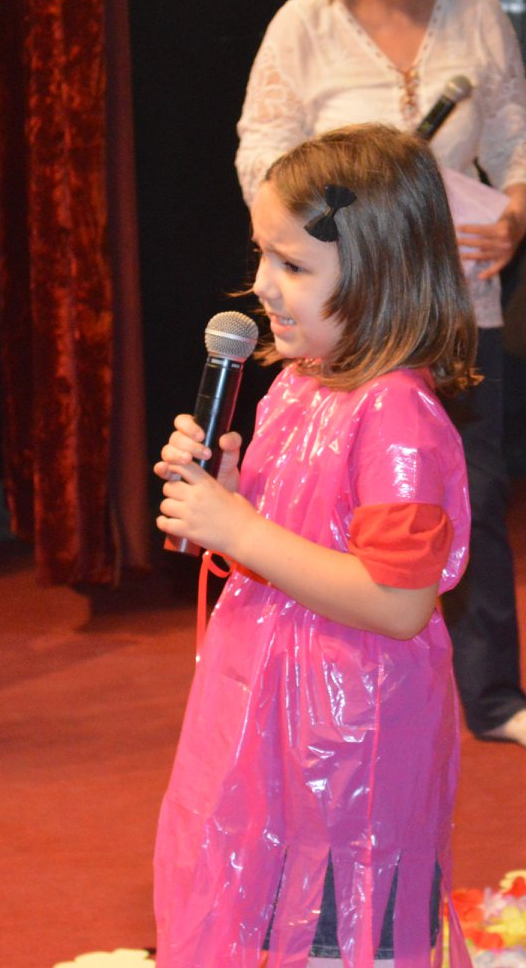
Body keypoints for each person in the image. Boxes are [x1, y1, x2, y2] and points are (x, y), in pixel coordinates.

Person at [234, 0, 526, 752]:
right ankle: (353, 690)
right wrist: (327, 227)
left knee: (477, 489)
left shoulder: (473, 7)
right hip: (349, 307)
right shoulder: (302, 25)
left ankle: (494, 696)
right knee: (350, 492)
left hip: (458, 290)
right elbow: (260, 153)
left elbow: (515, 128)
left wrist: (516, 208)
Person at [154, 125, 477, 966]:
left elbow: (399, 602)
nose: (263, 285)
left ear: (379, 275)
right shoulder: (297, 387)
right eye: (262, 254)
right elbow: (287, 551)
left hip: (352, 755)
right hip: (268, 726)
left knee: (338, 941)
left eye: (294, 265)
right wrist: (224, 504)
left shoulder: (397, 415)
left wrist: (242, 529)